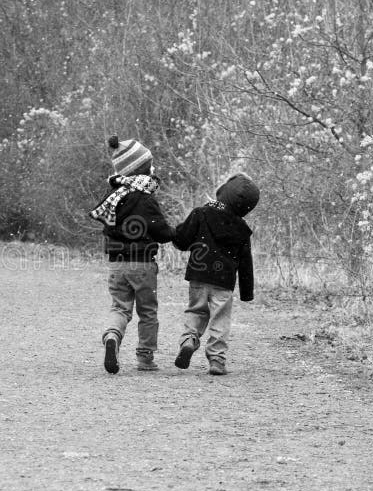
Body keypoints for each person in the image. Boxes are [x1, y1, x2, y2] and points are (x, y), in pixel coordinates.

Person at [88, 135, 175, 374]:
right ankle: (145, 358)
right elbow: (161, 231)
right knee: (147, 312)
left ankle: (112, 336)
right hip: (143, 265)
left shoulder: (113, 197)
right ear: (145, 169)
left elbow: (109, 228)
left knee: (119, 308)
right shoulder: (145, 199)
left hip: (117, 265)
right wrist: (176, 233)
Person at [171, 172, 260, 375]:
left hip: (199, 274)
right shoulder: (242, 230)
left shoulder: (200, 214)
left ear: (223, 192)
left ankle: (189, 340)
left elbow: (183, 238)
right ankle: (217, 359)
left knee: (196, 311)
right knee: (220, 318)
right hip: (224, 281)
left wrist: (173, 235)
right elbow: (246, 263)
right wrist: (247, 292)